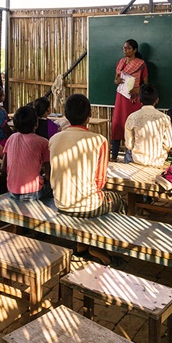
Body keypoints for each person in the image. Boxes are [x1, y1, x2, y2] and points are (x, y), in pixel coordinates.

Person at [50, 94, 125, 265]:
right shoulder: (99, 140)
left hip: (61, 203)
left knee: (94, 199)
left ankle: (82, 245)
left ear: (66, 114)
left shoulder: (54, 139)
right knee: (118, 201)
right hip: (89, 206)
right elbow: (100, 181)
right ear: (89, 115)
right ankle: (100, 246)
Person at [2, 105, 51, 200]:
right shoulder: (43, 142)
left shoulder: (11, 138)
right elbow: (48, 175)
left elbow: (3, 168)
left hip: (12, 191)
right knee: (53, 186)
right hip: (33, 192)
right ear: (36, 124)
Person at [111, 39, 148, 161]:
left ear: (135, 50)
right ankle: (114, 156)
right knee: (117, 125)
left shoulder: (141, 64)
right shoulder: (121, 62)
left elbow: (146, 84)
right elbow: (115, 80)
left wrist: (138, 89)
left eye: (128, 48)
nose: (125, 50)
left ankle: (131, 157)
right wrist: (117, 81)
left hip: (133, 99)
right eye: (124, 48)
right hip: (121, 97)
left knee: (132, 126)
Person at [124, 84, 172, 167]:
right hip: (158, 161)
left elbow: (129, 144)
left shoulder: (132, 117)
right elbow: (169, 144)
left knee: (128, 154)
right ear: (157, 100)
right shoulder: (165, 118)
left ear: (139, 99)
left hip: (138, 160)